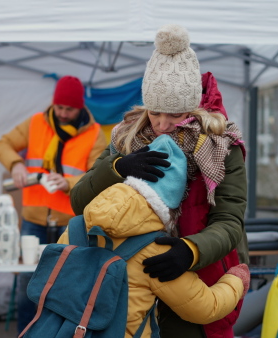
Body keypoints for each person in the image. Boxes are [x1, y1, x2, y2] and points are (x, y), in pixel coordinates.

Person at [69, 24, 248, 338]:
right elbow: (79, 202)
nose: (162, 125)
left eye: (174, 115)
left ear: (192, 108)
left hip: (194, 281)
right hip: (125, 287)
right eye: (155, 113)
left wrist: (190, 250)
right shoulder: (126, 139)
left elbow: (230, 222)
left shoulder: (221, 146)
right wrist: (118, 167)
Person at [57, 135, 249, 338]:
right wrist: (236, 280)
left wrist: (114, 168)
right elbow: (205, 307)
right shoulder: (155, 248)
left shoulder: (76, 228)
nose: (163, 122)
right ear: (168, 206)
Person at [0, 75, 106, 333]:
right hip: (33, 222)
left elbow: (97, 177)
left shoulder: (95, 135)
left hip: (70, 224)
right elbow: (2, 144)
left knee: (67, 289)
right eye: (59, 107)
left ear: (80, 108)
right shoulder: (35, 123)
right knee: (28, 289)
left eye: (69, 108)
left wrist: (68, 182)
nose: (63, 113)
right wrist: (16, 163)